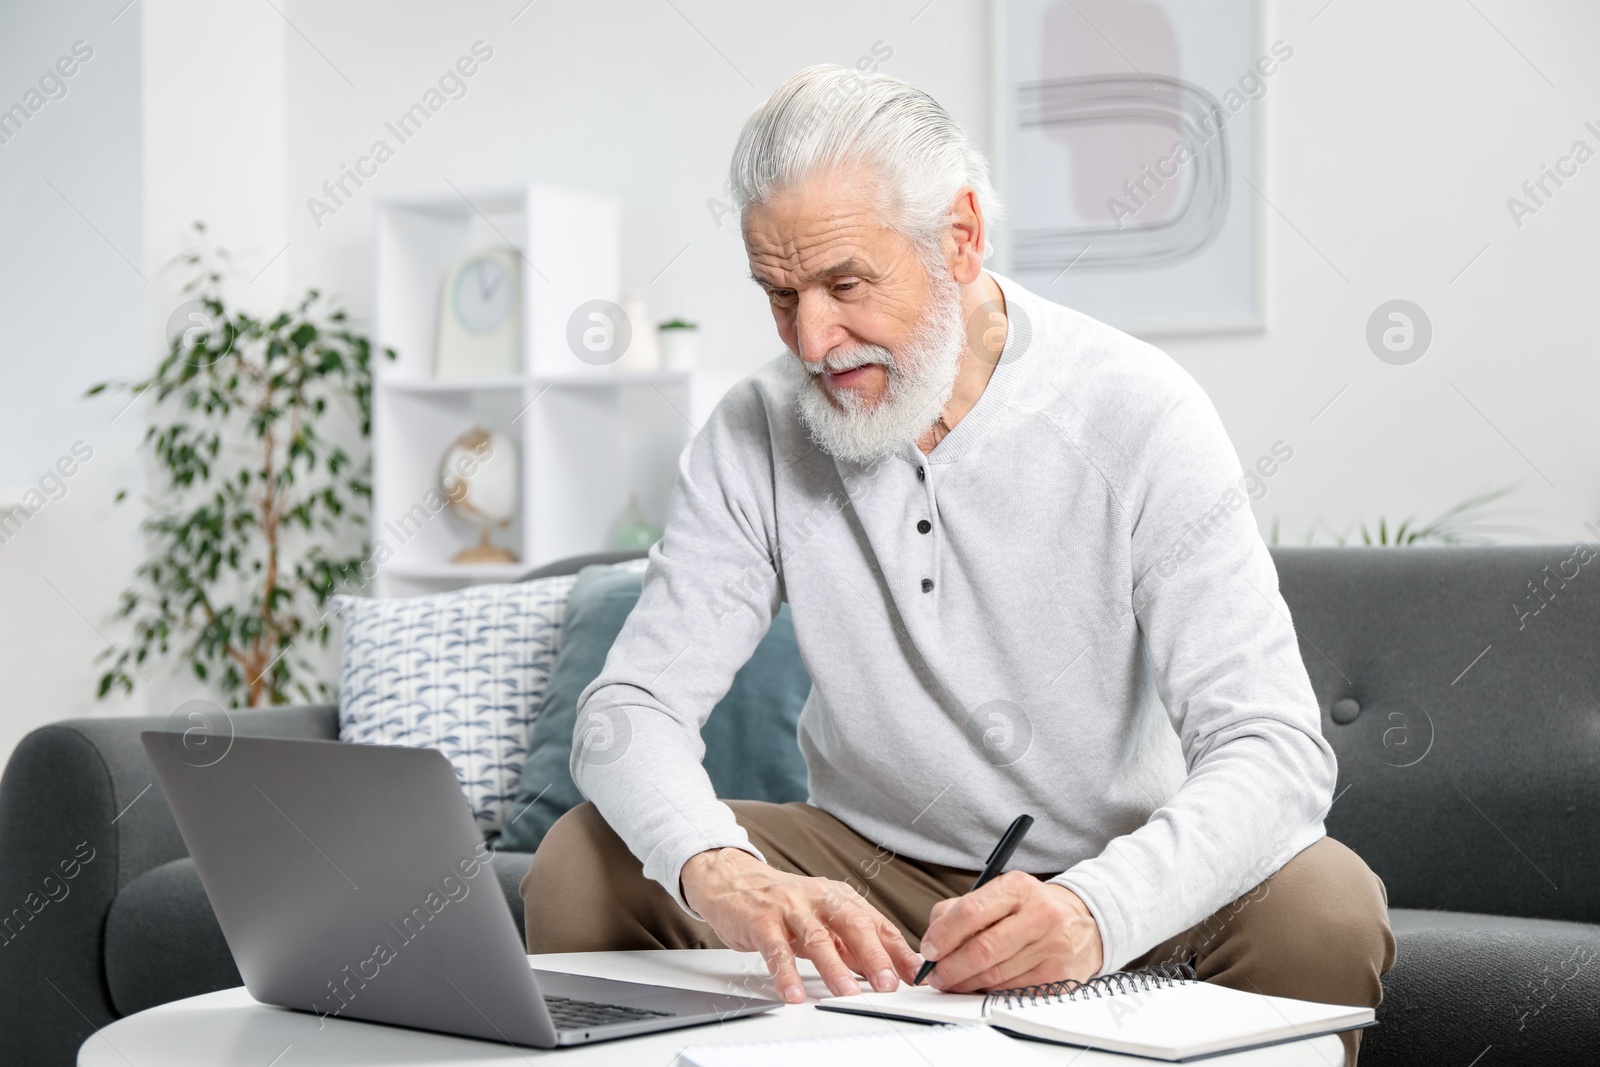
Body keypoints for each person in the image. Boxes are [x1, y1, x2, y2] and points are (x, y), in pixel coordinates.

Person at [523, 64, 1395, 1065]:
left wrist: (1091, 909)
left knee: (1326, 907)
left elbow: (1273, 746)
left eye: (846, 284)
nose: (812, 338)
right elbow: (630, 708)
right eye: (779, 295)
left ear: (962, 237)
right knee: (583, 863)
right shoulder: (756, 428)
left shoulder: (1139, 409)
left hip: (1111, 871)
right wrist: (720, 867)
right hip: (870, 870)